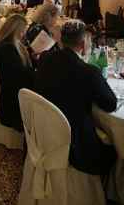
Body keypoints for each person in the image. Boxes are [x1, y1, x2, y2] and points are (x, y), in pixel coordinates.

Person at [36, 20, 117, 175]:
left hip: (44, 131)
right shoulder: (89, 72)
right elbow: (110, 104)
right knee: (115, 150)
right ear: (83, 43)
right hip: (75, 145)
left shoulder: (45, 59)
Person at [0, 15, 35, 132]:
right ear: (14, 30)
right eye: (22, 32)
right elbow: (19, 77)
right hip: (12, 100)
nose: (23, 35)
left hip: (15, 88)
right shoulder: (6, 49)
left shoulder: (12, 44)